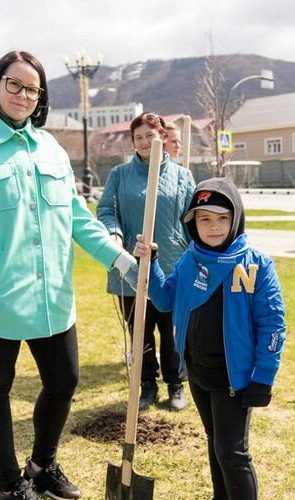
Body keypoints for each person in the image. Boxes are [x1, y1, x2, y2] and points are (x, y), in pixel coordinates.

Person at [0, 50, 139, 500]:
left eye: (33, 89)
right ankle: (10, 485)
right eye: (15, 84)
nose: (23, 95)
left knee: (64, 381)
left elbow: (78, 217)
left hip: (52, 296)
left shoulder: (50, 147)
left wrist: (117, 257)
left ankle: (42, 465)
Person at [133, 177, 286, 500]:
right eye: (205, 219)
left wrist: (263, 378)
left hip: (235, 380)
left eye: (222, 218)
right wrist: (151, 263)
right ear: (194, 224)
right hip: (199, 374)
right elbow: (164, 299)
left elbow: (273, 326)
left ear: (236, 220)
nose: (213, 226)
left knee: (233, 452)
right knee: (215, 441)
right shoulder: (191, 260)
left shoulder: (256, 266)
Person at [97, 112, 196, 412]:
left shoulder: (183, 177)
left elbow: (193, 221)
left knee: (171, 331)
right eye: (137, 137)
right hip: (131, 266)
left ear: (162, 138)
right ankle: (147, 385)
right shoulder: (119, 176)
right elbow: (106, 210)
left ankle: (175, 384)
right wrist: (113, 233)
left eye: (149, 136)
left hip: (170, 266)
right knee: (140, 331)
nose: (143, 142)